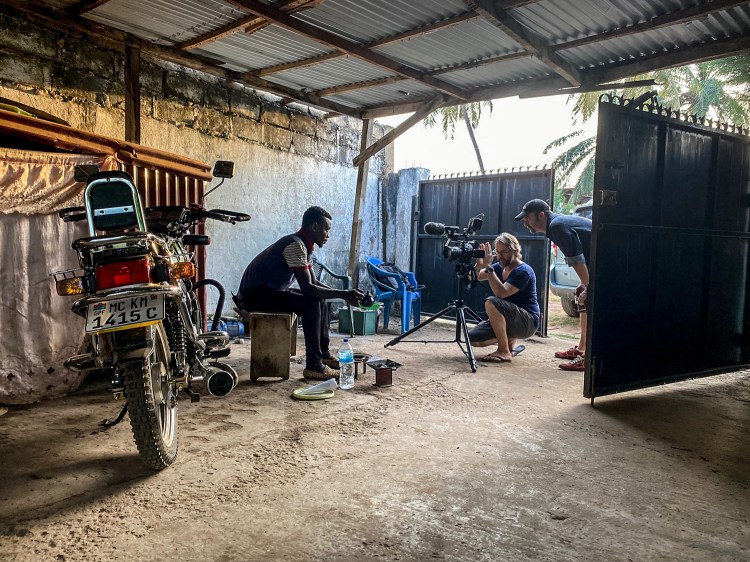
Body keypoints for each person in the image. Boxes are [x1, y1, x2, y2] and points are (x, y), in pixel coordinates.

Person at [236, 206, 364, 380]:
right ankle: (314, 366)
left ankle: (323, 355)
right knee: (311, 302)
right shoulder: (295, 245)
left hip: (267, 292)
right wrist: (344, 294)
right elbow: (308, 288)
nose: (328, 235)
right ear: (314, 227)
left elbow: (314, 283)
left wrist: (345, 293)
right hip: (254, 297)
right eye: (327, 229)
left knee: (319, 300)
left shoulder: (304, 247)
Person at [514, 199, 592, 371]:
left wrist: (589, 286)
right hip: (599, 262)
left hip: (613, 259)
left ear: (541, 215)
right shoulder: (557, 225)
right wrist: (584, 284)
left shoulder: (557, 226)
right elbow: (582, 257)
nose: (525, 223)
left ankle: (589, 358)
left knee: (592, 302)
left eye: (527, 218)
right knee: (584, 300)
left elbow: (577, 258)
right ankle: (582, 349)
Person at [468, 233, 540, 363]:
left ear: (515, 250)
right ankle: (510, 341)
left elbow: (501, 293)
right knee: (472, 338)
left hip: (528, 322)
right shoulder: (499, 267)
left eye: (504, 252)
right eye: (497, 251)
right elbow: (476, 277)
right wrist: (479, 265)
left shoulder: (522, 271)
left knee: (491, 302)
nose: (499, 256)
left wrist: (488, 267)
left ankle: (504, 351)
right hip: (511, 319)